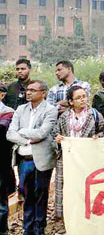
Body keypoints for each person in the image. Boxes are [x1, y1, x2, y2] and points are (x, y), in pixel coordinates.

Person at [7, 80, 58, 235]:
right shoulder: (21, 109)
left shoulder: (50, 110)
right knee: (26, 194)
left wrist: (21, 132)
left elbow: (42, 133)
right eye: (27, 90)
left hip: (41, 159)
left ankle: (39, 229)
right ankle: (27, 229)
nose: (28, 92)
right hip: (24, 159)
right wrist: (26, 139)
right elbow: (10, 133)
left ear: (43, 92)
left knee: (41, 194)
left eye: (33, 90)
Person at [53, 85, 104, 221]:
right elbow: (56, 133)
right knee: (67, 188)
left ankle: (87, 217)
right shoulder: (64, 117)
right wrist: (58, 140)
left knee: (86, 188)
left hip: (87, 160)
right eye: (78, 98)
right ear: (71, 102)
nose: (83, 100)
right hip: (67, 159)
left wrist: (97, 138)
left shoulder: (95, 115)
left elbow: (103, 133)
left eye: (84, 96)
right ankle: (67, 218)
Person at [0, 85, 15, 235]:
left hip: (1, 164)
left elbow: (2, 130)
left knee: (0, 205)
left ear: (2, 95)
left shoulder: (8, 113)